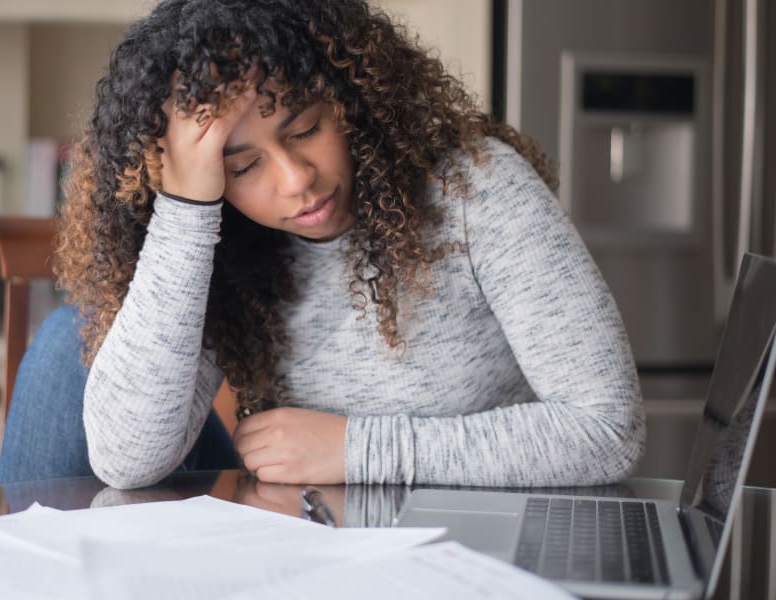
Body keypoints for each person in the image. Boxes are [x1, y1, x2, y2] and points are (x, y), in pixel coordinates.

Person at [52, 0, 645, 490]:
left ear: (351, 99)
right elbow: (126, 460)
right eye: (244, 166)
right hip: (317, 555)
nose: (295, 179)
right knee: (62, 346)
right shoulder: (228, 246)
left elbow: (608, 430)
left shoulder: (478, 190)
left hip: (470, 552)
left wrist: (357, 448)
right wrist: (186, 211)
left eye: (306, 128)